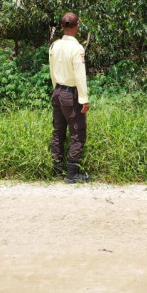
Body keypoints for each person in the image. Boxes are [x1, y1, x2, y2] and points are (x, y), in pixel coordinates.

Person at [49, 12, 91, 184]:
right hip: (70, 94)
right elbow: (79, 75)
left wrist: (56, 89)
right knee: (77, 131)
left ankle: (56, 167)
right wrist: (84, 99)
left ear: (61, 27)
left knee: (58, 131)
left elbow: (52, 71)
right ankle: (72, 172)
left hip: (57, 91)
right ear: (77, 27)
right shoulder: (77, 48)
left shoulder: (54, 46)